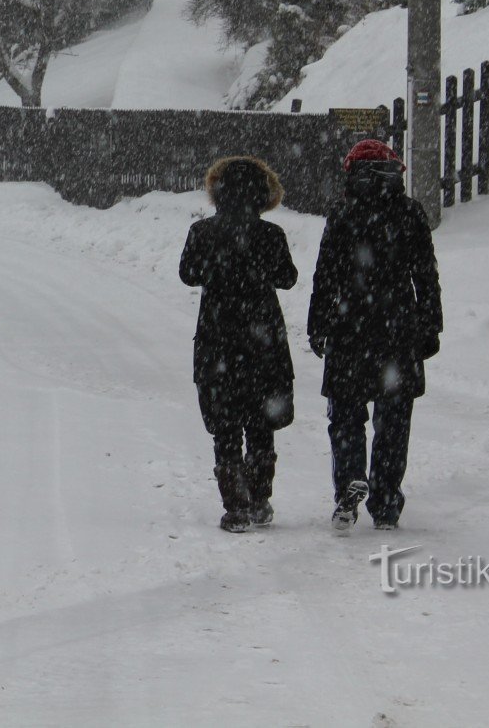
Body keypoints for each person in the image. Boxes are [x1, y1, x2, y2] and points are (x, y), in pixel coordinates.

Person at [308, 139, 442, 532]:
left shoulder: (343, 213)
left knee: (346, 416)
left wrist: (319, 325)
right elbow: (425, 276)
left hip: (350, 329)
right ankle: (385, 502)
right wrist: (430, 325)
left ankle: (350, 479)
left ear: (352, 173)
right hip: (398, 330)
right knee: (394, 421)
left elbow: (325, 276)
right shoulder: (409, 213)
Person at [179, 157, 298, 533]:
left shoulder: (202, 232)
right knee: (261, 422)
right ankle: (260, 498)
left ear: (218, 191)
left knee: (226, 423)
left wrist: (219, 268)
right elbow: (288, 278)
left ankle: (235, 506)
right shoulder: (271, 235)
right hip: (263, 339)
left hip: (218, 339)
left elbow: (187, 273)